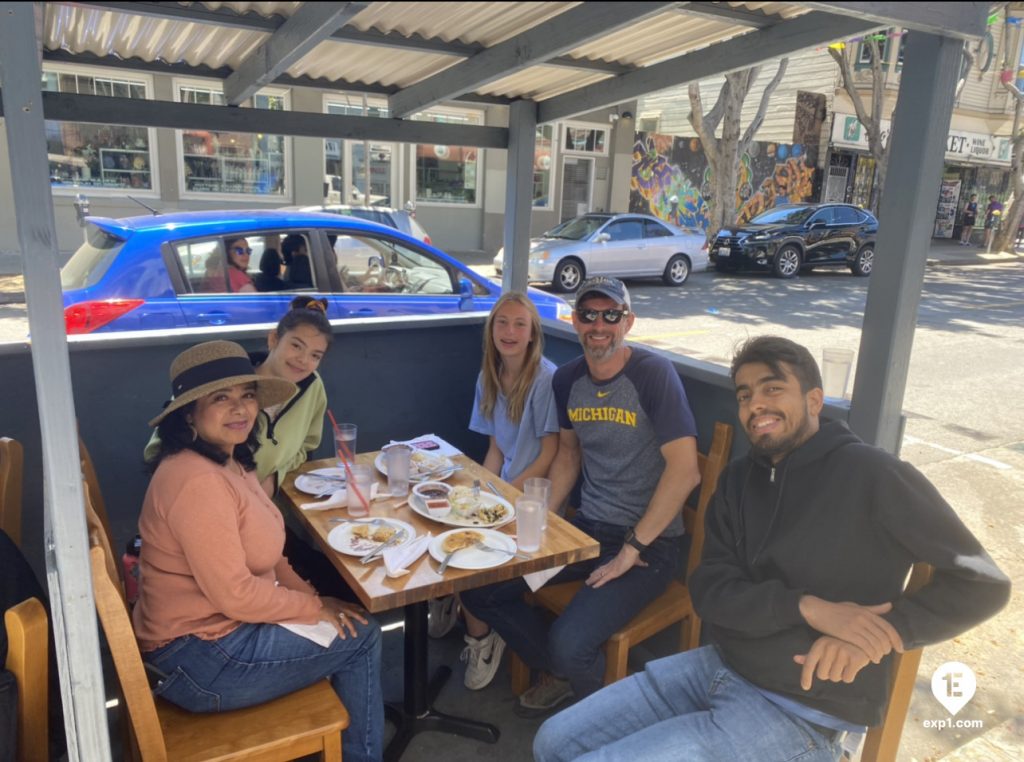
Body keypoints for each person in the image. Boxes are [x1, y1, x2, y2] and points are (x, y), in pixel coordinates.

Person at [533, 336, 1010, 762]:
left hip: (807, 711)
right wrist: (809, 608)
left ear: (815, 399)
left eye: (772, 388)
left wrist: (885, 632)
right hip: (718, 665)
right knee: (551, 742)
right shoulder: (740, 479)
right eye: (745, 395)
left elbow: (983, 583)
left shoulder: (875, 475)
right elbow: (709, 590)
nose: (755, 404)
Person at [461, 276, 700, 717]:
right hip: (585, 531)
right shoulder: (568, 379)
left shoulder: (653, 374)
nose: (599, 325)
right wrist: (541, 526)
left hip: (648, 547)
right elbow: (567, 456)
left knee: (570, 642)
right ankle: (570, 674)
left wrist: (633, 548)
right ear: (574, 320)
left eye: (611, 315)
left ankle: (605, 720)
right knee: (479, 588)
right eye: (588, 314)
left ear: (628, 322)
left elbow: (686, 471)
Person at [134, 340, 383, 762]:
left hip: (219, 634)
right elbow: (235, 594)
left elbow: (273, 557)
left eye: (247, 395)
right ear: (189, 413)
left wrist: (314, 601)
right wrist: (312, 611)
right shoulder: (196, 482)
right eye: (221, 398)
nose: (240, 409)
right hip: (200, 660)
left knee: (345, 616)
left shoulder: (230, 460)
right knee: (362, 637)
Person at [145, 297, 350, 599]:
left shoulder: (313, 386)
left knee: (337, 579)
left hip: (271, 514)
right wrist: (225, 484)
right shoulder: (218, 385)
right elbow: (159, 453)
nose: (303, 360)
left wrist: (273, 479)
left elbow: (307, 446)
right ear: (273, 339)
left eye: (315, 355)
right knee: (332, 590)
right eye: (295, 345)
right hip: (220, 525)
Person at [431, 293, 560, 689]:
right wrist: (478, 495)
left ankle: (482, 638)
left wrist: (498, 497)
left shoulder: (545, 378)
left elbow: (549, 456)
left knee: (472, 550)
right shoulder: (488, 375)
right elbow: (495, 449)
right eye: (502, 322)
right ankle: (454, 602)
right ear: (491, 330)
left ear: (533, 333)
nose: (510, 331)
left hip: (538, 501)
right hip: (503, 491)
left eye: (520, 323)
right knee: (447, 523)